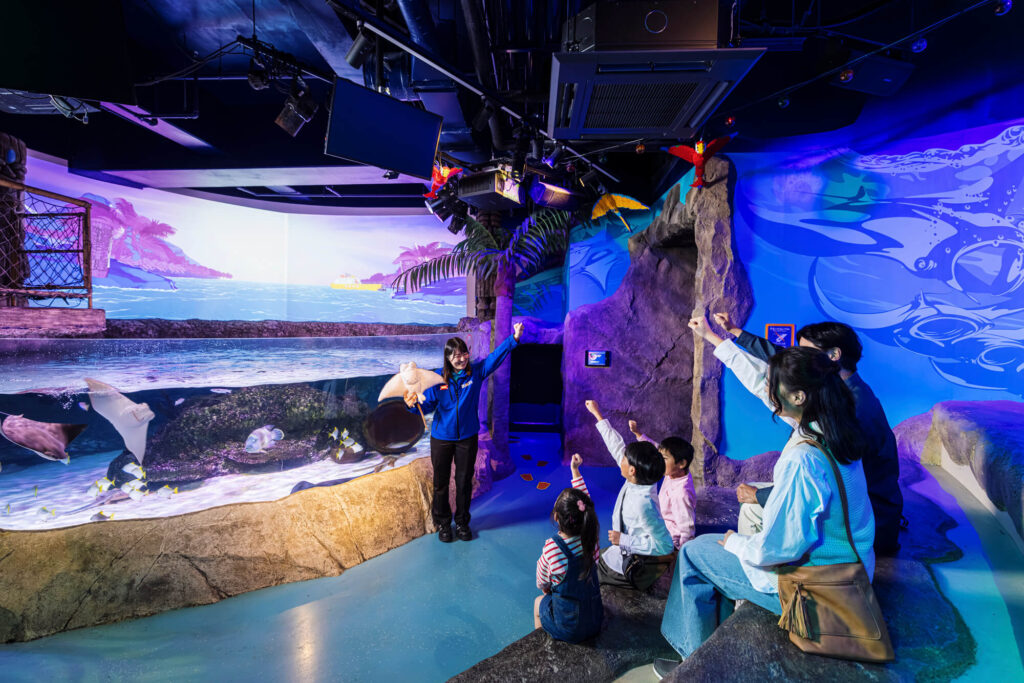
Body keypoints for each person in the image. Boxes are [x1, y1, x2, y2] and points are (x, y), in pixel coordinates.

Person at [654, 321, 875, 679]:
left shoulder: (803, 459)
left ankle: (693, 664)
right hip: (852, 570)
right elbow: (759, 381)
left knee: (695, 552)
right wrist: (717, 339)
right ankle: (717, 636)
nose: (768, 389)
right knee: (747, 522)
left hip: (820, 595)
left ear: (798, 397)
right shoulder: (835, 424)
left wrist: (735, 543)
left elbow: (780, 548)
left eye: (775, 384)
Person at [713, 312, 903, 555]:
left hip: (863, 526)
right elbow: (782, 359)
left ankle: (758, 577)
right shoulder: (842, 392)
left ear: (833, 355)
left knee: (753, 507)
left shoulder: (848, 412)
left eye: (806, 353)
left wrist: (760, 496)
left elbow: (834, 485)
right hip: (860, 516)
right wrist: (734, 331)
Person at [405, 322, 523, 542]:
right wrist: (412, 406)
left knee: (464, 482)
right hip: (441, 438)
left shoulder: (475, 373)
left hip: (467, 438)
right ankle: (443, 524)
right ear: (448, 358)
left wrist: (513, 338)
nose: (461, 359)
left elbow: (494, 358)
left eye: (464, 354)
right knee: (440, 483)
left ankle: (461, 522)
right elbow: (427, 405)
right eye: (456, 356)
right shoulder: (438, 379)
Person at [584, 399, 674, 590]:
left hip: (630, 562)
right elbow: (616, 446)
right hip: (621, 549)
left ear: (632, 470)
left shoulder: (644, 504)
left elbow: (665, 545)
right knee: (590, 560)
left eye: (625, 458)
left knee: (586, 576)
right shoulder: (639, 478)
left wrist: (624, 540)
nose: (621, 458)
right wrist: (597, 414)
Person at [533, 453, 604, 642]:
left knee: (539, 603)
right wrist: (575, 471)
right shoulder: (592, 536)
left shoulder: (553, 548)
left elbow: (541, 581)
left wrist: (546, 588)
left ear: (556, 517)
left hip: (570, 627)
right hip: (595, 619)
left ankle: (542, 647)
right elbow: (585, 504)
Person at [628, 420, 696, 550]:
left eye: (663, 459)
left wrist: (681, 553)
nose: (659, 461)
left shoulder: (681, 493)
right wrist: (637, 433)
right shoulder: (675, 472)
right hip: (662, 523)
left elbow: (687, 528)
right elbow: (655, 447)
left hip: (669, 540)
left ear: (681, 463)